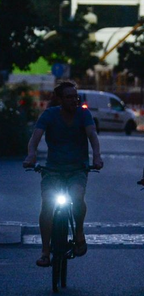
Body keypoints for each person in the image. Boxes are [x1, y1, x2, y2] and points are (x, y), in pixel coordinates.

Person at [23, 80, 103, 267]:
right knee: (47, 206)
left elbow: (93, 137)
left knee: (77, 196)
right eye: (69, 97)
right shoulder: (49, 115)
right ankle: (45, 251)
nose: (74, 100)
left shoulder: (84, 114)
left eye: (76, 97)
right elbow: (35, 138)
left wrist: (97, 157)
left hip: (77, 169)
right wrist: (31, 155)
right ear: (59, 99)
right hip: (53, 170)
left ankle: (79, 232)